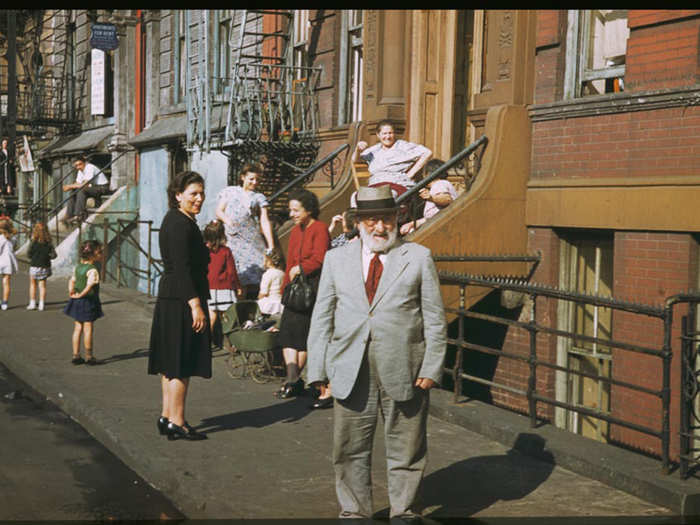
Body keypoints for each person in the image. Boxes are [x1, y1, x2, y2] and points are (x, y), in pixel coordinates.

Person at [307, 185, 448, 520]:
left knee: (407, 446)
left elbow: (434, 318)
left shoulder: (418, 257)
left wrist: (432, 367)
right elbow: (322, 318)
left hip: (406, 368)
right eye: (370, 220)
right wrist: (317, 371)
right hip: (349, 369)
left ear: (396, 219)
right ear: (357, 223)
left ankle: (404, 510)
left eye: (385, 219)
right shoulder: (336, 259)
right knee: (349, 448)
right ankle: (354, 512)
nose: (379, 228)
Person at [148, 171, 210, 441]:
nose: (199, 198)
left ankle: (166, 416)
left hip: (172, 297)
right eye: (193, 193)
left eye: (201, 193)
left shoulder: (177, 221)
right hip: (182, 299)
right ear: (178, 195)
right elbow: (183, 269)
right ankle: (178, 421)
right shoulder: (180, 224)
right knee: (181, 363)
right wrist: (195, 304)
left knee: (169, 362)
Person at [275, 188, 331, 408]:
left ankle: (294, 381)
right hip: (294, 289)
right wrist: (285, 287)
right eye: (291, 210)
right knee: (288, 334)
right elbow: (290, 261)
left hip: (311, 288)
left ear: (308, 209)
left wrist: (301, 268)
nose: (292, 214)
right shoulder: (297, 230)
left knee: (303, 336)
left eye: (296, 210)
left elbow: (320, 258)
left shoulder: (320, 229)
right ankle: (292, 378)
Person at [215, 162, 275, 299]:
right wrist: (229, 221)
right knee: (235, 275)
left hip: (251, 241)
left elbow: (264, 221)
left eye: (257, 179)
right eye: (251, 179)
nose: (254, 182)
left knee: (254, 276)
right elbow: (219, 210)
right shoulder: (230, 192)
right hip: (232, 239)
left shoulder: (259, 197)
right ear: (243, 177)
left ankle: (249, 311)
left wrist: (271, 245)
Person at [352, 119, 432, 192]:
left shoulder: (402, 146)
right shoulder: (374, 150)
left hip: (395, 184)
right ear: (378, 135)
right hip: (374, 185)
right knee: (355, 197)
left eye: (390, 133)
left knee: (386, 196)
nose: (388, 137)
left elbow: (427, 152)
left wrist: (411, 173)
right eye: (384, 133)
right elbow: (354, 161)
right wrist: (357, 149)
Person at [63, 240, 104, 365]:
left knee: (77, 328)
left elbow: (72, 280)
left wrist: (72, 291)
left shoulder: (78, 267)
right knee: (88, 328)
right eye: (99, 252)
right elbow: (90, 285)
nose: (101, 254)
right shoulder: (93, 270)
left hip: (77, 301)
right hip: (88, 301)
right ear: (93, 255)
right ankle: (89, 356)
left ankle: (76, 355)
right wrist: (82, 294)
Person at [203, 220, 242, 343]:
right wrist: (237, 286)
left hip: (209, 287)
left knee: (211, 316)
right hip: (224, 288)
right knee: (228, 317)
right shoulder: (226, 251)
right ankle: (232, 342)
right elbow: (231, 272)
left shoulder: (204, 251)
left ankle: (205, 342)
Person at [400, 158, 457, 235]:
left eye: (424, 174)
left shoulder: (439, 184)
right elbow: (431, 216)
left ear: (428, 174)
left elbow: (447, 199)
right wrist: (411, 224)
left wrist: (431, 198)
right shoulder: (440, 185)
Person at [63, 155, 111, 224]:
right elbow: (77, 183)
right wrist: (71, 187)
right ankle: (69, 215)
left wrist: (70, 186)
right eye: (76, 165)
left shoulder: (89, 167)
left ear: (84, 162)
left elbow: (85, 184)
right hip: (94, 187)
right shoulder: (80, 171)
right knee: (74, 191)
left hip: (103, 188)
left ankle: (78, 215)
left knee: (82, 190)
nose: (78, 167)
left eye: (80, 164)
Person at [27, 222, 57, 311]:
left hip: (34, 265)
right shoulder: (49, 243)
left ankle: (32, 303)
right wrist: (48, 256)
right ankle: (41, 304)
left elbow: (29, 254)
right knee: (42, 286)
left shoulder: (33, 242)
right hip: (45, 266)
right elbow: (54, 255)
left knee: (32, 284)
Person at [257, 248, 285, 316]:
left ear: (268, 261)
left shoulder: (268, 274)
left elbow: (264, 293)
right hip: (280, 303)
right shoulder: (282, 273)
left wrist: (258, 297)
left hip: (270, 303)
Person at [0, 218, 18, 310]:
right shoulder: (13, 238)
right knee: (6, 283)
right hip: (9, 262)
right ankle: (5, 302)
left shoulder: (1, 238)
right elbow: (14, 247)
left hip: (1, 261)